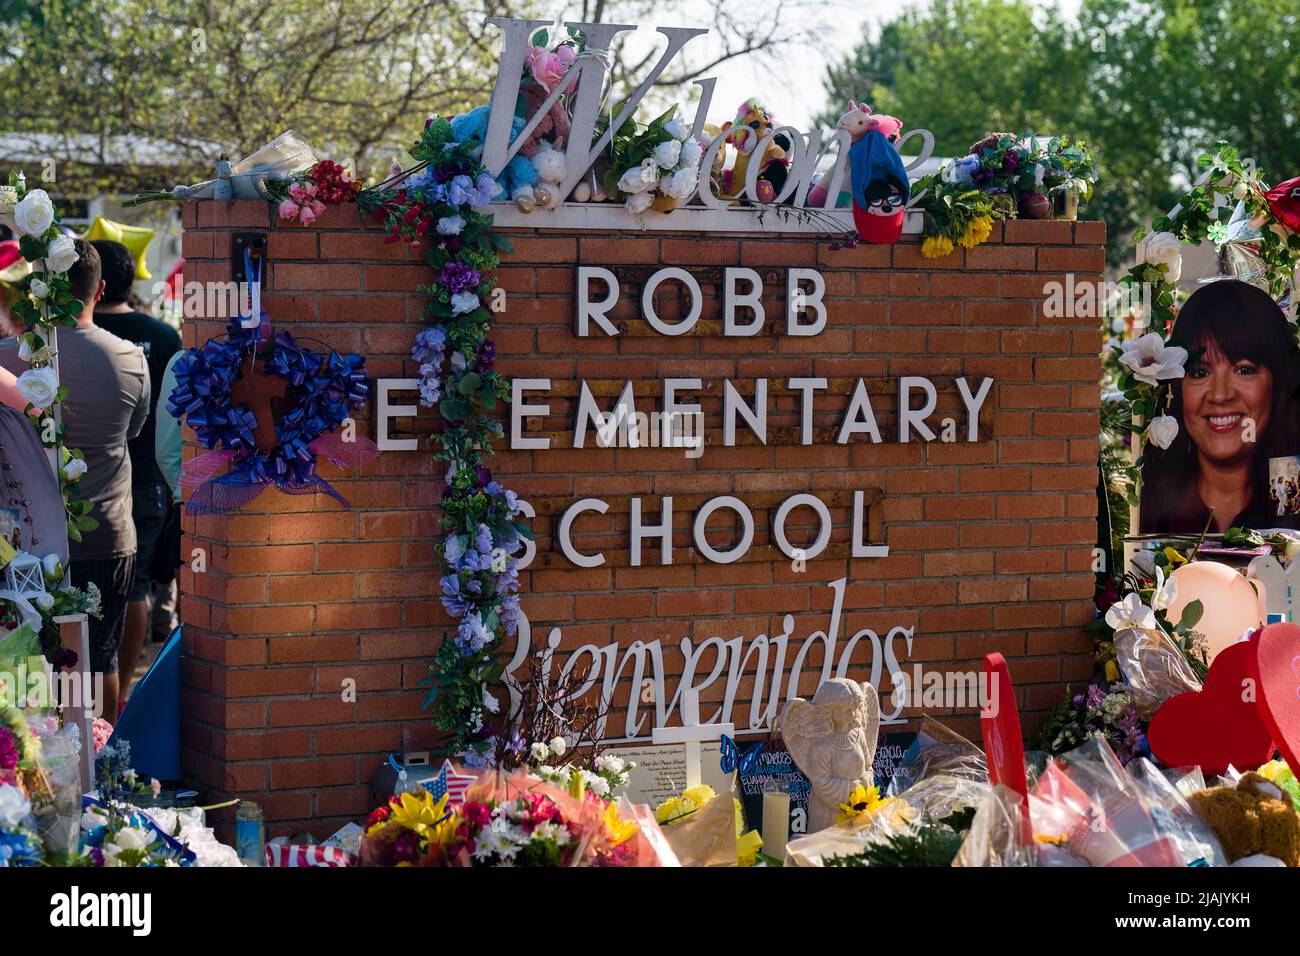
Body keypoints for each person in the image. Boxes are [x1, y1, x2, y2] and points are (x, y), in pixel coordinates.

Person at [0, 240, 149, 721]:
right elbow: (133, 432)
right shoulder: (128, 358)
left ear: (40, 287)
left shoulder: (7, 355)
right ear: (100, 289)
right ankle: (100, 765)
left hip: (23, 537)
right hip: (105, 531)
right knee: (100, 656)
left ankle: (36, 766)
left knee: (26, 654)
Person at [89, 239, 180, 704]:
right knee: (137, 585)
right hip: (148, 482)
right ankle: (122, 694)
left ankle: (85, 702)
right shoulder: (163, 338)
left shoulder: (67, 333)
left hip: (82, 486)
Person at [1140, 280, 1300, 533]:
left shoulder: (1291, 497)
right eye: (1200, 372)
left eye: (1244, 370)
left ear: (1278, 384)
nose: (1220, 394)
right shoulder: (1147, 500)